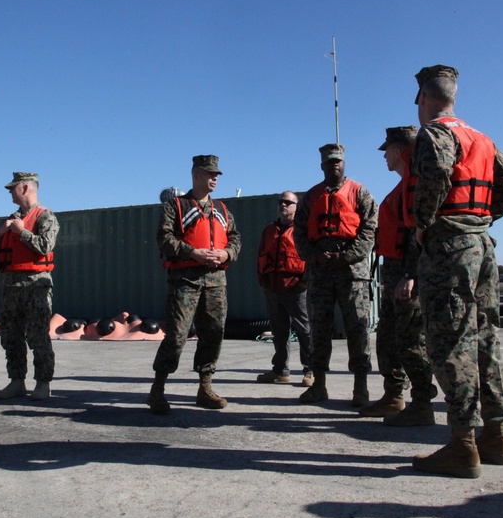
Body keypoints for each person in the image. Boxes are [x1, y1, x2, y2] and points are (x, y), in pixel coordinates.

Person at [410, 65, 503, 478]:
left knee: (450, 340)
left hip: (449, 247)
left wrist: (426, 222)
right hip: (482, 245)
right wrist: (482, 217)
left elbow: (437, 173)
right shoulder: (482, 138)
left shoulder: (435, 134)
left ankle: (462, 444)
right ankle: (495, 434)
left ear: (423, 98)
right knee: (484, 338)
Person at [147, 155, 242, 414]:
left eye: (217, 175)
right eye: (210, 174)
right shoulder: (175, 207)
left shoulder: (222, 209)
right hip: (185, 281)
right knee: (178, 335)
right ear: (196, 175)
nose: (214, 179)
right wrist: (192, 252)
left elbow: (235, 238)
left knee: (213, 334)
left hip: (216, 282)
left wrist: (227, 254)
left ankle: (205, 387)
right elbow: (164, 239)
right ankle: (158, 388)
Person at [359, 126, 437, 426]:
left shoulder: (416, 185)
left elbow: (420, 235)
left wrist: (409, 274)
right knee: (389, 339)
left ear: (402, 150)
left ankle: (421, 403)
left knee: (410, 340)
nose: (384, 155)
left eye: (388, 149)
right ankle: (394, 395)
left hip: (406, 275)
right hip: (393, 273)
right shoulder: (403, 185)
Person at [293, 144, 378, 407]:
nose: (334, 166)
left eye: (338, 162)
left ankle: (360, 388)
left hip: (352, 271)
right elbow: (299, 232)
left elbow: (369, 230)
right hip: (320, 270)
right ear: (322, 166)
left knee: (358, 328)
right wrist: (315, 256)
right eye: (329, 163)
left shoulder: (360, 193)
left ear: (344, 163)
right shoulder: (310, 197)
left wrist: (347, 256)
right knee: (319, 327)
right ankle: (319, 384)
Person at [0, 172, 60, 401]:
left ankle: (43, 383)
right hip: (11, 285)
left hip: (35, 285)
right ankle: (16, 381)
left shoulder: (46, 217)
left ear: (25, 188)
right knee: (11, 335)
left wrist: (21, 231)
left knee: (38, 335)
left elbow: (44, 246)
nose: (10, 193)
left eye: (13, 189)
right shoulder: (11, 218)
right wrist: (1, 233)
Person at [255, 191, 314, 386]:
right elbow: (261, 255)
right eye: (281, 202)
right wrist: (263, 280)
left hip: (296, 287)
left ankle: (310, 370)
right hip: (272, 287)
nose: (283, 205)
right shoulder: (268, 230)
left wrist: (304, 281)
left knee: (304, 329)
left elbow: (310, 256)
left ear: (296, 206)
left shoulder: (303, 229)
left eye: (288, 202)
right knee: (279, 331)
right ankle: (280, 370)